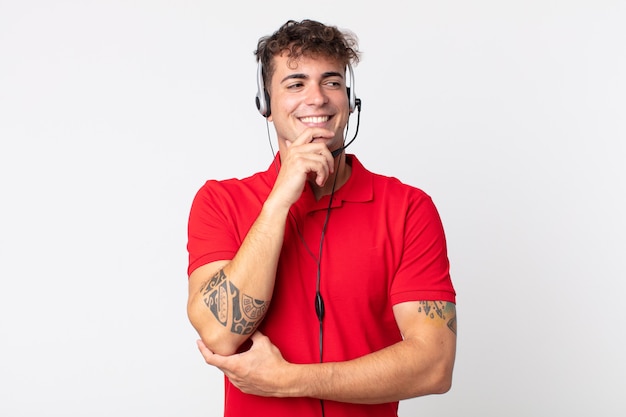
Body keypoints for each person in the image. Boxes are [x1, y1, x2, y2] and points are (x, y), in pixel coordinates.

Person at [186, 19, 457, 417]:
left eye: (331, 82)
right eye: (295, 84)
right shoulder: (220, 201)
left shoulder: (408, 208)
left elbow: (435, 366)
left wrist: (287, 380)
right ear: (265, 105)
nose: (317, 98)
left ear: (349, 98)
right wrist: (278, 201)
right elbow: (219, 333)